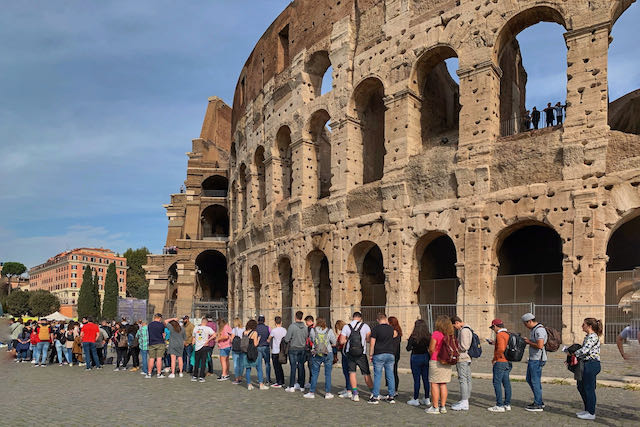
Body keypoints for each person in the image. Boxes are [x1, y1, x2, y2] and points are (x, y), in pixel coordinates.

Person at [572, 318, 603, 420]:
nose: (582, 326)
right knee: (581, 387)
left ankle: (591, 412)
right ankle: (587, 409)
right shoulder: (588, 336)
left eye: (584, 324)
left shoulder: (593, 337)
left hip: (591, 364)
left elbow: (585, 350)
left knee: (589, 389)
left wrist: (572, 353)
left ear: (589, 326)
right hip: (586, 363)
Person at [339, 311, 373, 402]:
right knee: (366, 373)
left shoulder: (346, 326)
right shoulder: (365, 326)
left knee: (352, 372)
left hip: (350, 353)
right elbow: (369, 339)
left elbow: (341, 341)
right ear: (361, 318)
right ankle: (373, 392)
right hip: (361, 353)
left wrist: (348, 340)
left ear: (352, 317)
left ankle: (355, 394)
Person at [426, 315, 454, 414]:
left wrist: (433, 354)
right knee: (443, 384)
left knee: (434, 383)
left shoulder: (436, 334)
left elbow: (431, 349)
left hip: (436, 360)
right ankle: (443, 406)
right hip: (447, 361)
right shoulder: (450, 335)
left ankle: (435, 407)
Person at [304, 317, 336, 399]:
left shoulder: (313, 330)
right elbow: (334, 342)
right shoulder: (329, 331)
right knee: (328, 374)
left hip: (317, 352)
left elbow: (311, 339)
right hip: (328, 352)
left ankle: (311, 392)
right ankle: (328, 393)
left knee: (315, 373)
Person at [368, 313, 397, 404]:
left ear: (377, 320)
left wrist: (370, 354)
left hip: (379, 353)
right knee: (390, 375)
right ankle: (391, 395)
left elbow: (372, 343)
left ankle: (375, 396)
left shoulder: (376, 329)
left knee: (378, 375)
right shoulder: (391, 329)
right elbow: (395, 335)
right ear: (386, 319)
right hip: (390, 353)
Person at [522, 312, 547, 411]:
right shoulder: (534, 330)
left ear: (529, 321)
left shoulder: (539, 330)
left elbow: (540, 345)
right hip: (533, 359)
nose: (525, 326)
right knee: (529, 379)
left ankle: (538, 404)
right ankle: (539, 400)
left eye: (525, 324)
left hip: (537, 359)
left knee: (535, 381)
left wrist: (528, 342)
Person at [487, 318, 511, 412]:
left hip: (500, 361)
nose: (493, 330)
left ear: (496, 326)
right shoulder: (507, 334)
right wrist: (494, 343)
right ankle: (507, 404)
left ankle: (499, 405)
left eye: (493, 328)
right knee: (506, 383)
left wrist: (495, 359)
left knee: (497, 383)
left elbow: (501, 349)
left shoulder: (500, 335)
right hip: (508, 361)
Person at [406, 319, 431, 407]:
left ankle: (416, 398)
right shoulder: (428, 336)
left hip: (416, 357)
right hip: (425, 356)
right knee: (426, 379)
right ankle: (427, 398)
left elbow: (408, 348)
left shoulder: (413, 336)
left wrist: (412, 345)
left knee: (416, 379)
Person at [285, 311, 309, 392]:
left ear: (295, 317)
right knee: (301, 367)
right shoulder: (305, 327)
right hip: (302, 348)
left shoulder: (292, 326)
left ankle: (291, 386)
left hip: (293, 348)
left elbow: (287, 338)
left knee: (293, 367)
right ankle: (301, 385)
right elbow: (306, 337)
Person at [451, 316, 472, 411]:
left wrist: (455, 346)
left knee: (463, 379)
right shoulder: (467, 328)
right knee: (467, 379)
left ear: (457, 322)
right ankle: (465, 399)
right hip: (467, 357)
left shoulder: (464, 331)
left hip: (462, 357)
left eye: (454, 326)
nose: (455, 328)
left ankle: (464, 401)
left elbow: (464, 346)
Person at [192, 317, 216, 383]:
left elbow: (193, 337)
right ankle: (201, 376)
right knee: (203, 362)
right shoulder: (208, 328)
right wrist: (208, 340)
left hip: (197, 347)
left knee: (196, 362)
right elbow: (214, 334)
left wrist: (193, 343)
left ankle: (195, 375)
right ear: (206, 323)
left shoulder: (196, 328)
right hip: (204, 346)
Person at [242, 319, 263, 390]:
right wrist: (259, 339)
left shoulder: (244, 332)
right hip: (254, 352)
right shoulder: (254, 333)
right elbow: (255, 344)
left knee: (248, 369)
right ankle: (261, 384)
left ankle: (249, 384)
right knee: (259, 368)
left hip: (246, 352)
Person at [268, 316, 287, 388]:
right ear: (281, 322)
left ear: (275, 322)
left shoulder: (274, 330)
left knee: (276, 367)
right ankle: (282, 381)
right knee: (280, 367)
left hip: (275, 351)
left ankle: (279, 382)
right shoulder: (284, 330)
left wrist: (268, 340)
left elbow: (269, 339)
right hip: (282, 351)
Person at [146, 313, 166, 379]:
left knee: (151, 358)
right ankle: (159, 373)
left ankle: (149, 373)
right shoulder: (161, 325)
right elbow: (163, 334)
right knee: (159, 358)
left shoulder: (149, 325)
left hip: (151, 343)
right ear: (160, 318)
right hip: (160, 342)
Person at [334, 320, 351, 397]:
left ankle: (349, 389)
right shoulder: (349, 331)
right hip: (347, 353)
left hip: (345, 353)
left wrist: (337, 345)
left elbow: (341, 343)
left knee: (347, 372)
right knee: (347, 372)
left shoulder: (344, 334)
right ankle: (348, 387)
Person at [388, 316, 402, 397]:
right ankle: (394, 389)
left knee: (392, 373)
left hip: (392, 353)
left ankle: (393, 390)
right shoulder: (398, 330)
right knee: (393, 372)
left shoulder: (393, 331)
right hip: (396, 353)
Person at [255, 315, 272, 385]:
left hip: (258, 347)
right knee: (267, 363)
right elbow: (270, 335)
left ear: (258, 320)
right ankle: (268, 379)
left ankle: (260, 380)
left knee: (259, 364)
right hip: (265, 347)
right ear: (264, 320)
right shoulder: (268, 328)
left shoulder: (255, 328)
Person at [230, 317, 245, 384]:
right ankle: (240, 377)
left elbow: (231, 339)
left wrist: (229, 337)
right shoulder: (244, 329)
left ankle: (236, 379)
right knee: (241, 364)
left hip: (235, 348)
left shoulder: (234, 329)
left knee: (236, 364)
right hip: (242, 348)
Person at [303, 315, 315, 389]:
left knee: (311, 367)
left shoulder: (311, 329)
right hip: (308, 349)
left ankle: (311, 382)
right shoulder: (309, 328)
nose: (306, 323)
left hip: (310, 349)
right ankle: (309, 381)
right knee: (309, 366)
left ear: (310, 321)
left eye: (306, 322)